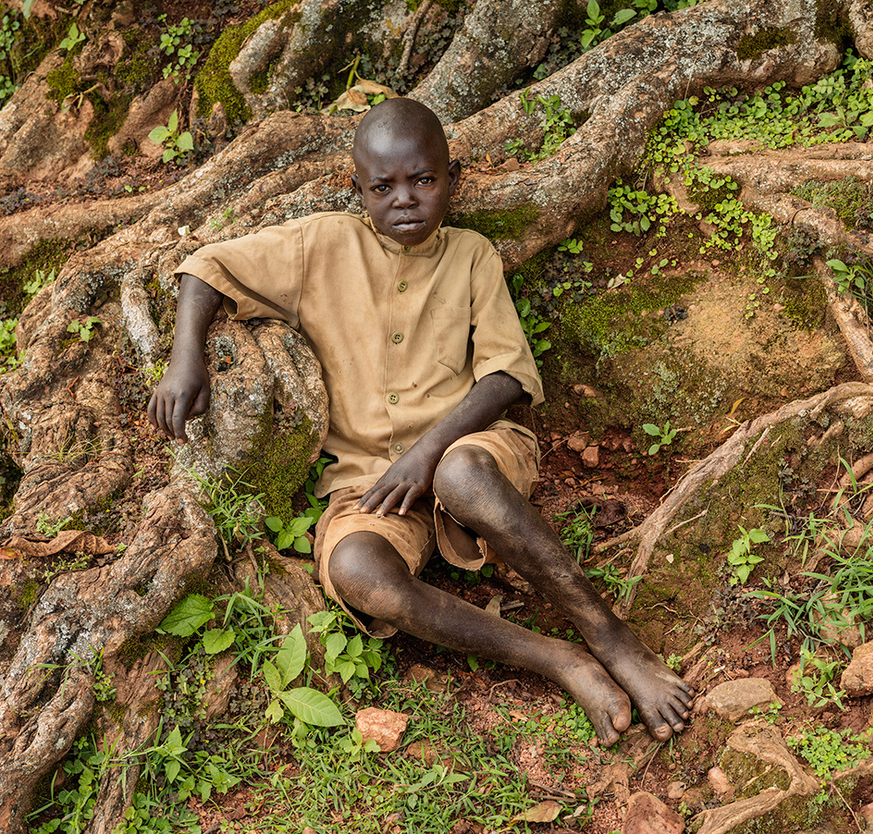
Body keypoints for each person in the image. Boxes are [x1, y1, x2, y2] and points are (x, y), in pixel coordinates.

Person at [148, 98, 693, 745]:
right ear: (358, 190)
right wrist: (186, 361)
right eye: (384, 187)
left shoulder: (471, 255)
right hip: (370, 484)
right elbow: (208, 266)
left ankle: (610, 636)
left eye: (423, 180)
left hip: (471, 451)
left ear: (452, 179)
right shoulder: (321, 244)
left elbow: (507, 375)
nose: (404, 199)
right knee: (356, 569)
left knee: (460, 473)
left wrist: (428, 453)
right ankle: (557, 658)